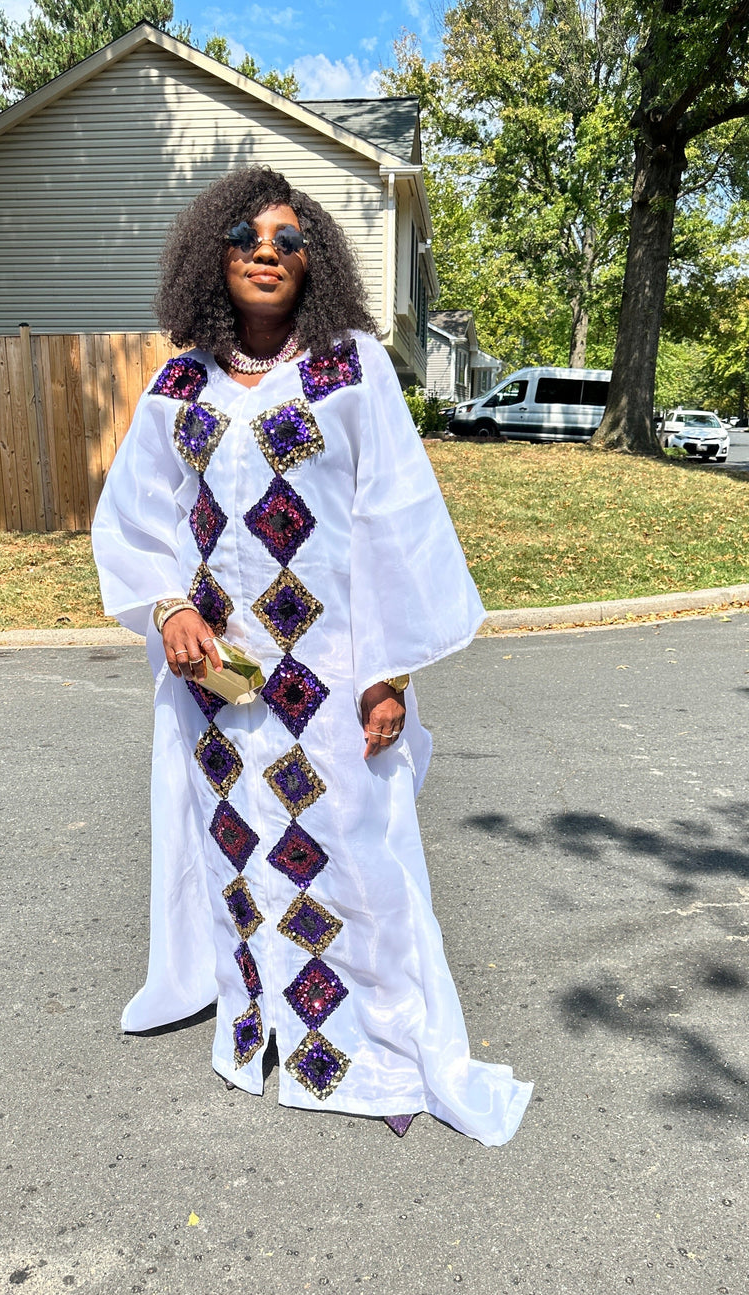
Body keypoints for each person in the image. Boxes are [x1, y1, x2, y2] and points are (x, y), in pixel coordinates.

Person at [92, 166, 532, 1144]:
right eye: (246, 233)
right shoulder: (179, 383)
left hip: (328, 669)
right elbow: (136, 519)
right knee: (236, 850)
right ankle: (260, 1035)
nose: (265, 249)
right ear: (215, 251)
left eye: (289, 239)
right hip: (216, 682)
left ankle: (374, 1048)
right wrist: (168, 608)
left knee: (358, 851)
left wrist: (391, 668)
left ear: (313, 261)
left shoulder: (350, 368)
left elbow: (395, 518)